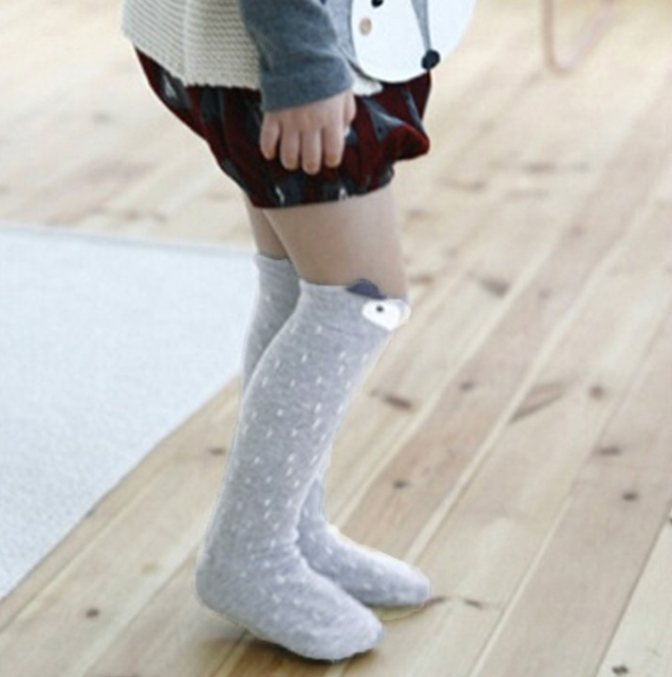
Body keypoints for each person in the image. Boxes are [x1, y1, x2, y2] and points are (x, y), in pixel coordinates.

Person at [120, 0, 448, 663]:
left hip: (286, 40)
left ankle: (291, 528)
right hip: (288, 43)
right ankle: (250, 553)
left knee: (301, 284)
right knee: (362, 301)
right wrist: (302, 61)